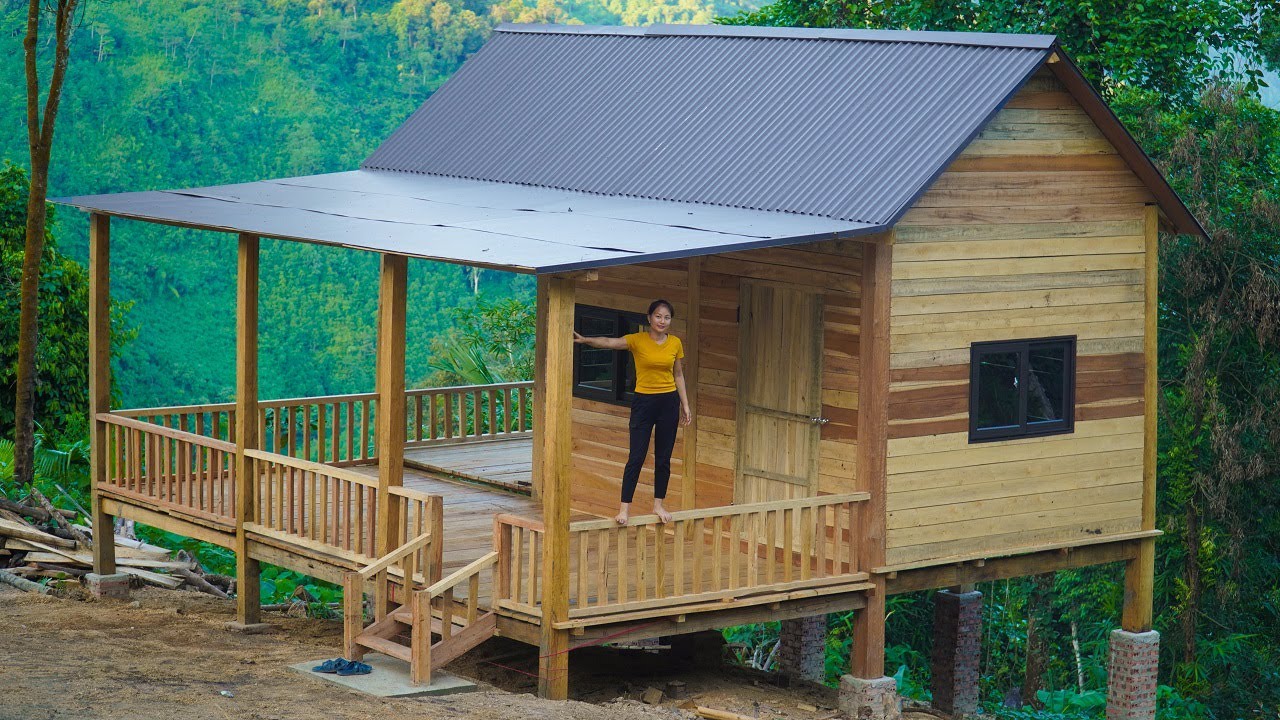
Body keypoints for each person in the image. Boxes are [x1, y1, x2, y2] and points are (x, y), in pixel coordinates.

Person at [573, 299, 692, 524]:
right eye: (658, 316)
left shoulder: (675, 343)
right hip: (643, 403)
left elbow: (678, 375)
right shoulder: (637, 340)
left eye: (666, 317)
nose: (662, 321)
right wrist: (586, 340)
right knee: (636, 457)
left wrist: (685, 405)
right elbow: (610, 342)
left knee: (664, 459)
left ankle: (658, 505)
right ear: (649, 318)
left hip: (668, 402)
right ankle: (624, 509)